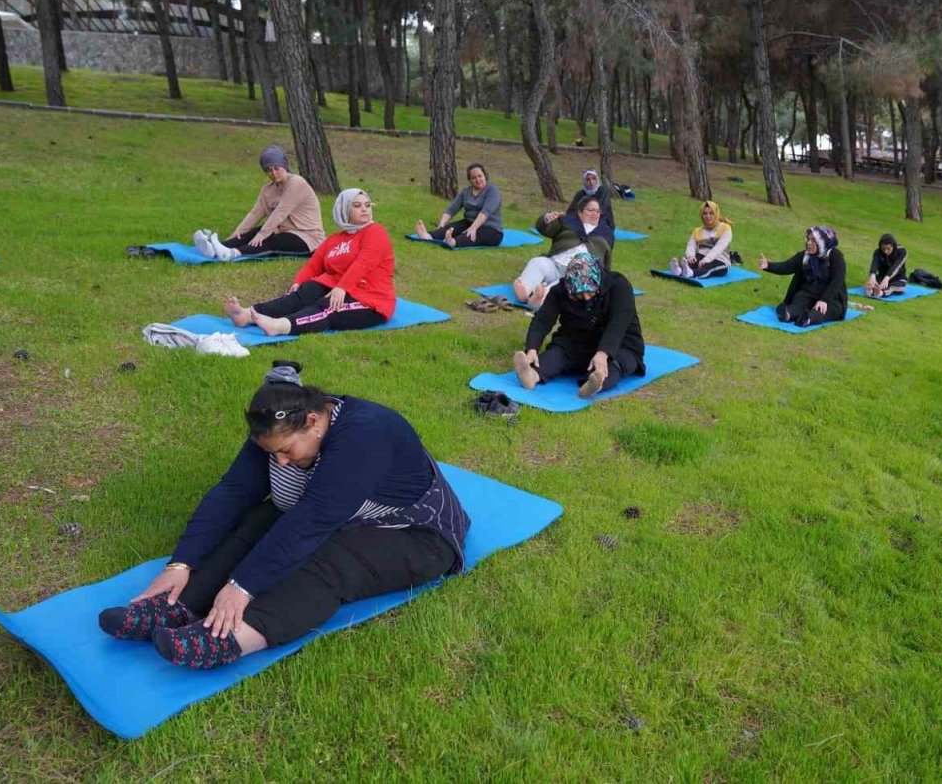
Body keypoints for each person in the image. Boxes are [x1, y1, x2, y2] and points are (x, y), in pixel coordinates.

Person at [97, 362, 471, 669]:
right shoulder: (278, 428)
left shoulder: (365, 434)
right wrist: (182, 563)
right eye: (272, 453)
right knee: (259, 521)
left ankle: (232, 637)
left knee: (331, 559)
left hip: (418, 534)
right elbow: (234, 493)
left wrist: (242, 587)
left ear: (313, 420)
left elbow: (314, 519)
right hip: (343, 512)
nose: (280, 461)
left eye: (287, 451)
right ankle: (179, 606)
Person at [223, 188, 395, 337]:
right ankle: (246, 315)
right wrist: (299, 283)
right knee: (305, 292)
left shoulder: (375, 232)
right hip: (337, 286)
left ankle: (279, 326)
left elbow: (364, 263)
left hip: (370, 298)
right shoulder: (335, 239)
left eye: (367, 205)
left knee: (328, 308)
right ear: (344, 210)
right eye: (357, 206)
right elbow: (314, 264)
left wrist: (342, 288)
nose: (364, 209)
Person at [512, 253, 645, 399]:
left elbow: (618, 325)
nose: (586, 299)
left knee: (613, 364)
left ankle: (595, 383)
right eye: (579, 296)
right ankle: (531, 375)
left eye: (590, 293)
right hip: (578, 340)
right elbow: (542, 320)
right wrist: (532, 349)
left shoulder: (619, 286)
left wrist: (603, 353)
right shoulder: (559, 291)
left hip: (622, 343)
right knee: (557, 354)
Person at [193, 145, 326, 260]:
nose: (273, 173)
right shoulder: (267, 190)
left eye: (276, 168)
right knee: (252, 233)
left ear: (285, 166)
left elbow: (280, 212)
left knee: (269, 239)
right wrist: (238, 232)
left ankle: (232, 254)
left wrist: (262, 234)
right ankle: (218, 247)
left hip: (308, 238)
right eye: (268, 169)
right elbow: (255, 213)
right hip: (282, 230)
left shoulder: (296, 183)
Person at [513, 196, 615, 309]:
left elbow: (606, 260)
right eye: (591, 210)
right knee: (538, 262)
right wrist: (547, 218)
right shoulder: (568, 221)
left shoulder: (606, 233)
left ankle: (541, 298)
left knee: (567, 282)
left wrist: (605, 280)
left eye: (597, 211)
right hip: (555, 263)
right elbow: (544, 228)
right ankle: (524, 291)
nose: (595, 213)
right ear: (580, 212)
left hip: (579, 271)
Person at [758, 226, 848, 327]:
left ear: (823, 242)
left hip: (832, 298)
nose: (809, 243)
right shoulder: (805, 256)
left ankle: (808, 319)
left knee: (824, 311)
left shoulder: (835, 255)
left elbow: (837, 280)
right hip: (809, 293)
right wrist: (768, 265)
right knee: (798, 302)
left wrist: (824, 300)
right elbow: (787, 266)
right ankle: (787, 314)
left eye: (813, 240)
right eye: (808, 239)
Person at [414, 163, 503, 248]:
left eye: (480, 176)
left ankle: (453, 242)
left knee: (472, 234)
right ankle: (427, 236)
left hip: (491, 229)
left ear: (485, 176)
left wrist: (473, 228)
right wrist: (442, 224)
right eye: (473, 178)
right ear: (470, 180)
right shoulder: (465, 192)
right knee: (451, 227)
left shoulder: (492, 190)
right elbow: (451, 209)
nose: (478, 180)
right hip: (469, 222)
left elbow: (485, 212)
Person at [669, 201, 732, 280]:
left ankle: (691, 273)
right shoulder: (698, 231)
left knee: (707, 267)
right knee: (691, 261)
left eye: (711, 213)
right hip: (701, 256)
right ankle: (679, 271)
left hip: (720, 260)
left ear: (716, 214)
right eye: (705, 213)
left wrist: (706, 259)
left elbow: (719, 248)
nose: (708, 216)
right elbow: (691, 245)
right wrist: (690, 256)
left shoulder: (725, 228)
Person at [864, 233, 908, 298]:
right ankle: (871, 290)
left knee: (897, 287)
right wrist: (872, 277)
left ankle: (881, 293)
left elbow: (896, 267)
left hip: (898, 278)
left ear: (893, 246)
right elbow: (874, 265)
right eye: (883, 249)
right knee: (872, 282)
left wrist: (887, 278)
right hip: (882, 277)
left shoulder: (902, 251)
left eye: (888, 249)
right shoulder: (877, 252)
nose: (885, 251)